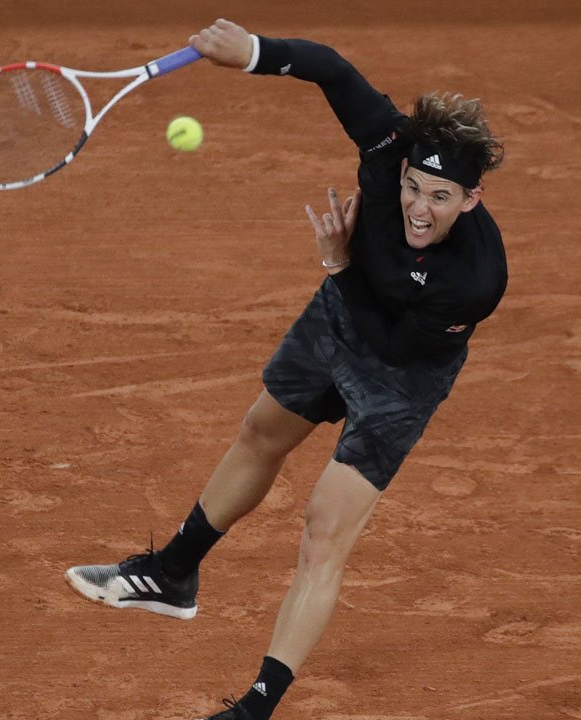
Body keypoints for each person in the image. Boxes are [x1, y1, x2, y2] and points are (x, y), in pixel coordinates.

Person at [65, 19, 507, 720]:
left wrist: (339, 265)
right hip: (341, 312)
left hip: (404, 374)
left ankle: (256, 707)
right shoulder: (389, 145)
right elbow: (330, 67)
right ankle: (173, 574)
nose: (420, 208)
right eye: (415, 188)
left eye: (441, 198)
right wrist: (253, 57)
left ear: (472, 201)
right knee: (260, 434)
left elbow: (390, 349)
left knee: (323, 531)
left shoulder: (477, 280)